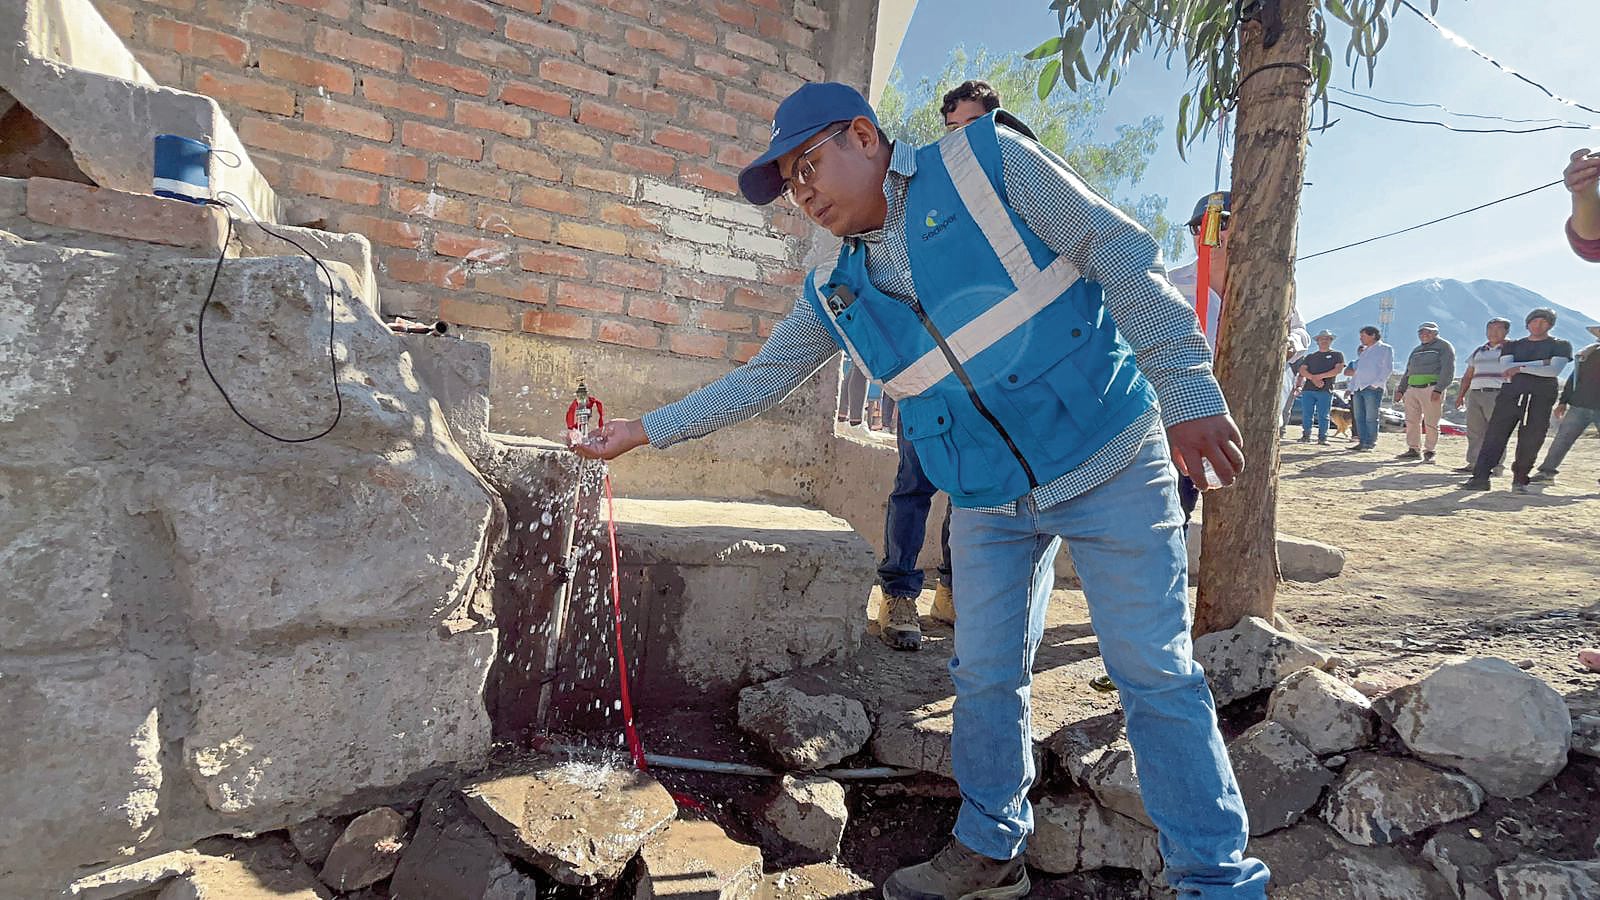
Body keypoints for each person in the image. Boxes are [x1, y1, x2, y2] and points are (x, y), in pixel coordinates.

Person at [574, 83, 1267, 899]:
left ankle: (1215, 878)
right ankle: (991, 848)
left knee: (1152, 671)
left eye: (808, 166)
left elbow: (1116, 246)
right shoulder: (832, 284)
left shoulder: (990, 162)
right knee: (983, 676)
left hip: (1109, 454)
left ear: (864, 137)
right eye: (790, 186)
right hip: (988, 497)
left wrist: (1185, 387)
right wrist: (641, 431)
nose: (803, 193)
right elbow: (763, 379)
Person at [1168, 190, 1309, 517]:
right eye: (1198, 226)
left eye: (1221, 222)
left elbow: (1301, 331)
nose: (1207, 232)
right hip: (1189, 409)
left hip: (1247, 410)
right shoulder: (1171, 283)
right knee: (1175, 506)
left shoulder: (1270, 286)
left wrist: (1288, 344)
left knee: (1237, 508)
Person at [1460, 308, 1573, 493]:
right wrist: (1542, 362)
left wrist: (1519, 368)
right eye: (1534, 321)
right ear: (1527, 324)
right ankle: (1480, 477)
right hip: (1510, 395)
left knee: (1531, 438)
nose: (1538, 325)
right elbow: (1505, 367)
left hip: (1540, 397)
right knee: (1494, 435)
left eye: (1543, 322)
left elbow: (1553, 370)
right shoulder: (1513, 345)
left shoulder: (1560, 345)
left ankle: (1520, 479)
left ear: (1550, 325)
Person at [1531, 324, 1600, 482]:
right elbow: (1574, 378)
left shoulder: (1587, 352)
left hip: (1584, 404)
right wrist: (1563, 401)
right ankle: (1546, 471)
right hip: (1579, 404)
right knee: (1562, 439)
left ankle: (1547, 471)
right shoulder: (1588, 353)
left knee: (1563, 439)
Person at [1453, 317, 1512, 473]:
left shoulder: (1512, 349)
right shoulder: (1479, 351)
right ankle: (1474, 463)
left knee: (1496, 431)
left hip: (1498, 394)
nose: (1493, 332)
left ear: (1506, 331)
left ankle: (1496, 466)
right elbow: (1468, 374)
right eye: (1490, 329)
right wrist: (1461, 395)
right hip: (1476, 393)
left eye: (1498, 329)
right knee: (1475, 431)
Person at [1394, 322, 1455, 462]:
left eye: (1428, 332)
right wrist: (1401, 389)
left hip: (1431, 388)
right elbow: (1408, 370)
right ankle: (1413, 448)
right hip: (1412, 388)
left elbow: (1448, 369)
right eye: (1421, 332)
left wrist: (1439, 389)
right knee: (1411, 421)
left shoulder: (1444, 347)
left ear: (1435, 333)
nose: (1424, 335)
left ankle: (1430, 450)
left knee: (1431, 421)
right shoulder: (1416, 350)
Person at [1344, 326, 1395, 452]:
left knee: (1371, 417)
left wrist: (1376, 384)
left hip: (1372, 389)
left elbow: (1387, 368)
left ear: (1372, 335)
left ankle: (1370, 442)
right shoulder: (1364, 351)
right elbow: (1358, 372)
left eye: (1363, 336)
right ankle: (1362, 441)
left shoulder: (1385, 349)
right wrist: (1351, 387)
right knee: (1359, 417)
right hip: (1358, 388)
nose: (1361, 339)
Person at [1296, 330, 1344, 444]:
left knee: (1324, 415)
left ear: (1331, 341)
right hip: (1308, 389)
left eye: (1327, 339)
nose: (1324, 341)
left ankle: (1323, 437)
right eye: (1322, 339)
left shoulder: (1337, 355)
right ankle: (1306, 435)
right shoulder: (1310, 356)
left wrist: (1319, 377)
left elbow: (1338, 370)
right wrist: (1313, 378)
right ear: (1317, 341)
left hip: (1325, 389)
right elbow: (1302, 370)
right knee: (1307, 414)